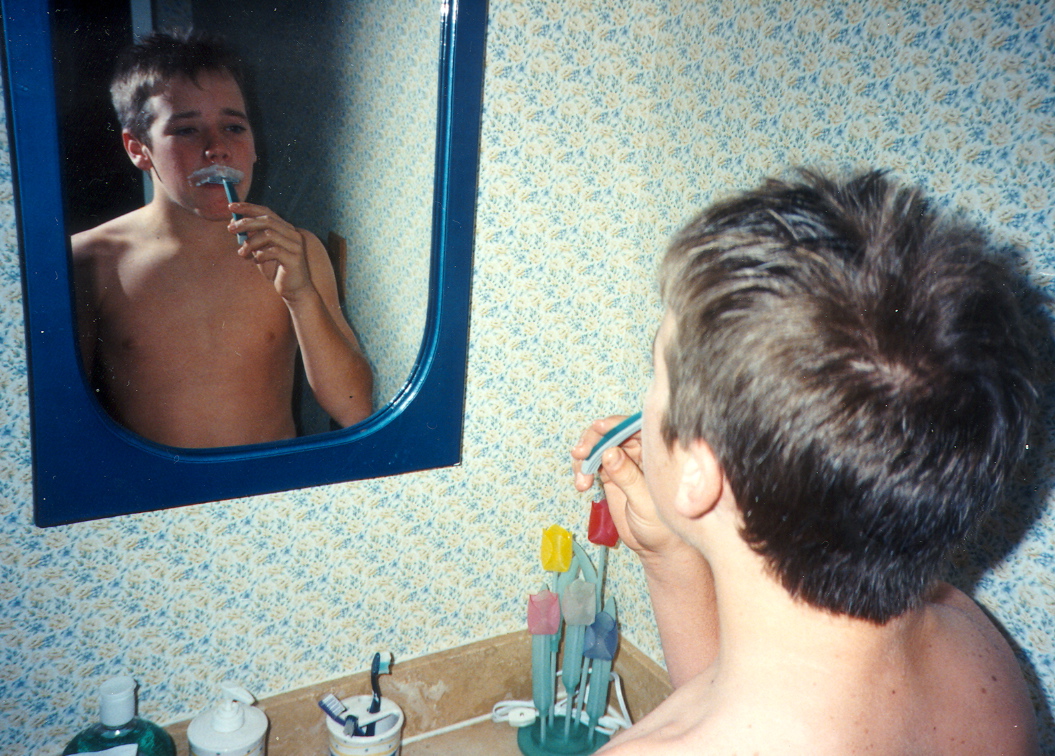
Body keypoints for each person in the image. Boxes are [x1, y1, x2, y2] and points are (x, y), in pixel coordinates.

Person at [572, 170, 1042, 754]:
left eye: (656, 374)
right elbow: (751, 705)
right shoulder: (975, 648)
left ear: (700, 470)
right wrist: (667, 558)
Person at [71, 30, 372, 448]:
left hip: (273, 482)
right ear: (138, 148)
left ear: (254, 145)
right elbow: (64, 425)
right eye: (187, 130)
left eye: (233, 127)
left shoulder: (297, 249)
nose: (217, 148)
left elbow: (355, 408)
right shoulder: (88, 261)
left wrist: (302, 296)